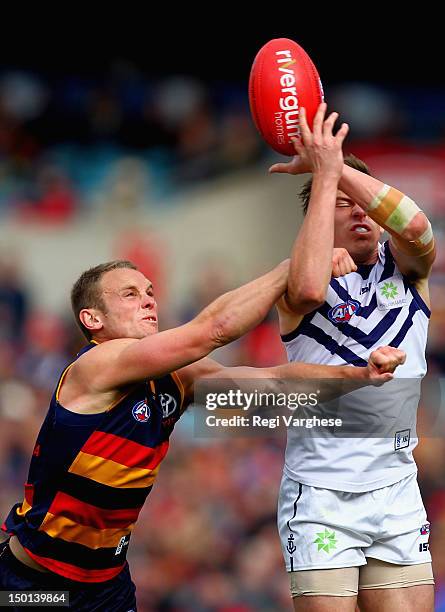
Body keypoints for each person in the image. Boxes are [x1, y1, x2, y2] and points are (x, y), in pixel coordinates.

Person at [0, 255, 405, 611]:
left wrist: (357, 374)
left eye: (151, 292)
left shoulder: (179, 377)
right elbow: (213, 329)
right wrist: (290, 269)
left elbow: (274, 386)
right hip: (35, 584)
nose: (149, 300)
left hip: (106, 584)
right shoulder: (95, 366)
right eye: (130, 294)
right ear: (93, 319)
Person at [270, 103, 436, 612]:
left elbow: (416, 228)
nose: (360, 211)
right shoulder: (293, 277)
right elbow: (305, 287)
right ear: (319, 215)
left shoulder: (409, 270)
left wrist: (331, 164)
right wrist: (325, 182)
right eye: (342, 204)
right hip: (321, 495)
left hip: (396, 490)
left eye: (364, 201)